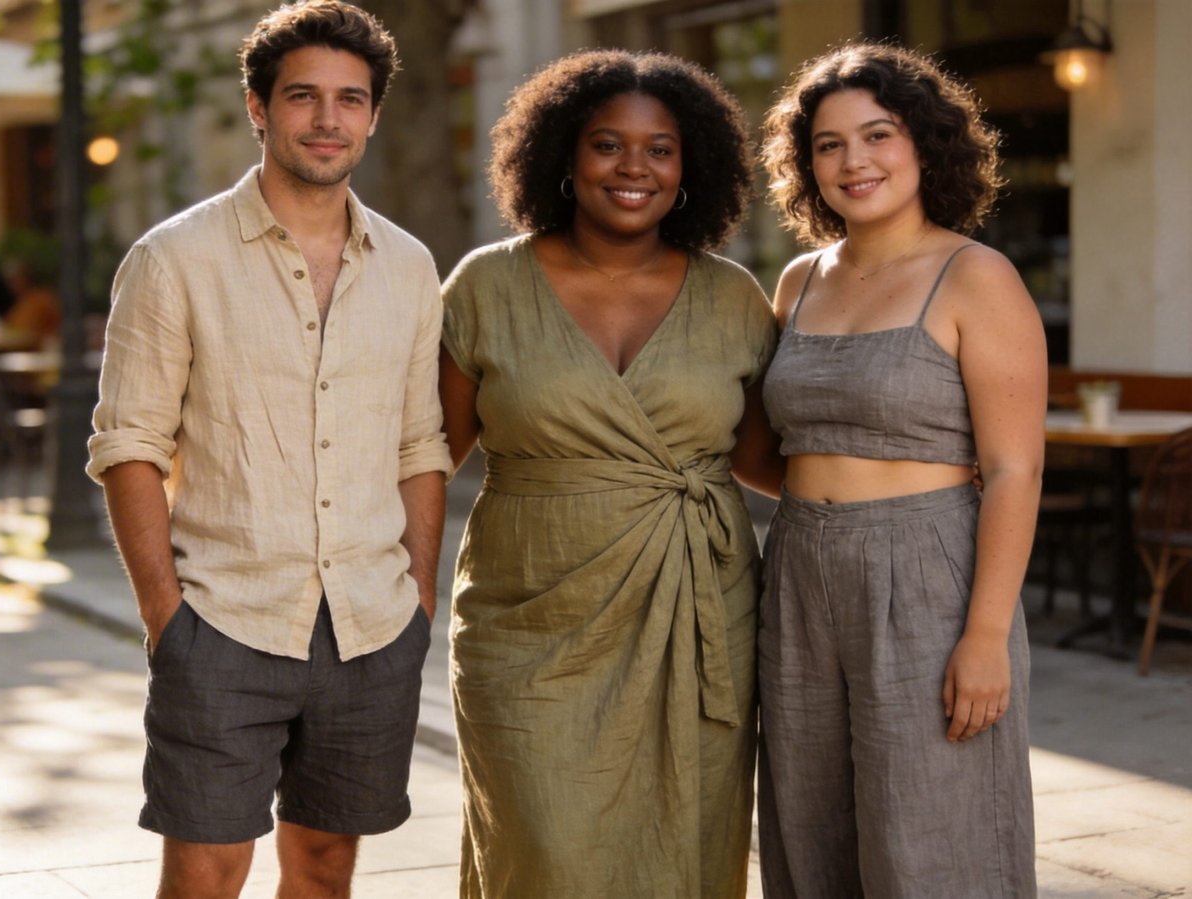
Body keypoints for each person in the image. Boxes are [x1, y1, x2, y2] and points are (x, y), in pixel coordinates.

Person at [85, 2, 449, 896]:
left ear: (372, 115)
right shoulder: (174, 258)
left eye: (350, 99)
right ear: (258, 106)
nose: (328, 118)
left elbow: (419, 445)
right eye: (303, 96)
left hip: (371, 626)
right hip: (224, 620)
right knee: (206, 874)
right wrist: (169, 621)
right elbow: (129, 444)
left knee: (325, 869)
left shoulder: (408, 266)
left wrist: (417, 605)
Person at [438, 50, 781, 898]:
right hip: (528, 620)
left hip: (699, 612)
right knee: (540, 845)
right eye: (607, 145)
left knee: (689, 840)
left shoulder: (735, 295)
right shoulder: (487, 284)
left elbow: (762, 462)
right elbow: (425, 455)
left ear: (689, 165)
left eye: (660, 148)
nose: (635, 167)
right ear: (561, 155)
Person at [755, 43, 1044, 898]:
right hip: (800, 567)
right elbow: (775, 447)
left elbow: (1016, 468)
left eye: (877, 135)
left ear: (923, 144)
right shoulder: (799, 280)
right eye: (828, 145)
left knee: (932, 827)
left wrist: (986, 635)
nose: (855, 161)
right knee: (811, 822)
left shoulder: (975, 276)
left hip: (928, 572)